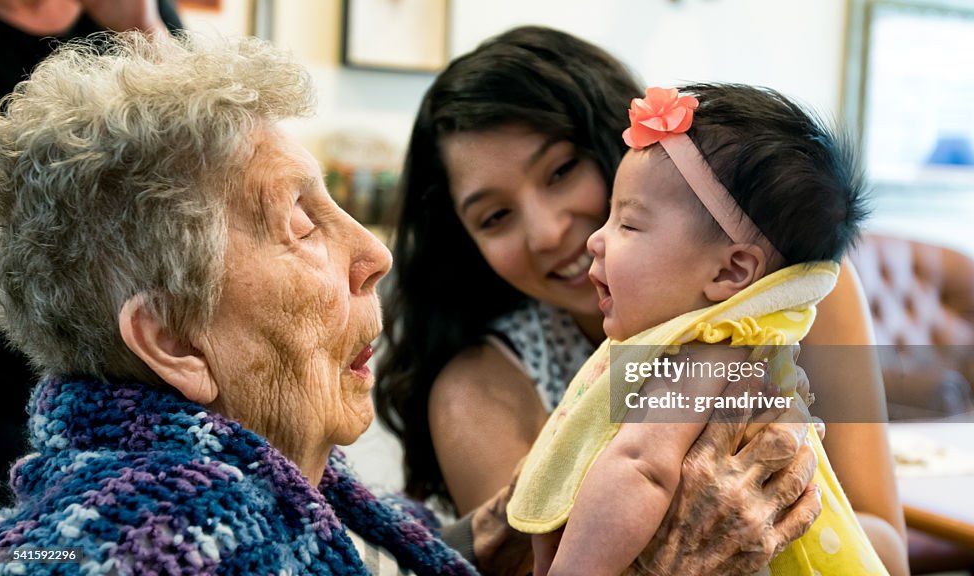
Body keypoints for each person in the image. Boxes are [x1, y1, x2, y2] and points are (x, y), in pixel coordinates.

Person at [376, 25, 906, 573]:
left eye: (561, 171)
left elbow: (886, 547)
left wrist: (776, 521)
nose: (550, 233)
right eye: (495, 217)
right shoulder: (478, 389)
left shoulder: (787, 298)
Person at [0, 30, 483, 574]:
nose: (375, 254)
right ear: (175, 339)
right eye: (300, 226)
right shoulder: (170, 536)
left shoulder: (260, 484)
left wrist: (485, 532)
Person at [506, 83, 905, 576]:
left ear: (729, 273)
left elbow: (641, 468)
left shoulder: (709, 352)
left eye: (628, 224)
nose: (596, 239)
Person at [0, 0, 183, 507]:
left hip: (120, 342)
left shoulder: (136, 16)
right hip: (9, 333)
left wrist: (141, 29)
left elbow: (203, 148)